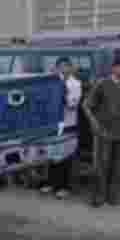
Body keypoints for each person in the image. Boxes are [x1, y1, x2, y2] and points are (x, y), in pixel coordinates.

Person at [82, 51, 120, 207]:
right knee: (101, 165)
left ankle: (113, 195)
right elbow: (87, 105)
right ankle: (99, 196)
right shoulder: (103, 84)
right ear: (114, 67)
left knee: (118, 165)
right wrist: (94, 124)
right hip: (105, 132)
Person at [39, 57, 83, 199]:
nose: (63, 69)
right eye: (60, 66)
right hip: (54, 124)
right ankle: (50, 183)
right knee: (52, 154)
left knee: (65, 156)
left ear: (71, 68)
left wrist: (62, 88)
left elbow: (71, 104)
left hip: (68, 124)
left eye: (66, 66)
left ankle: (63, 186)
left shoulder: (75, 84)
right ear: (57, 68)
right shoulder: (52, 82)